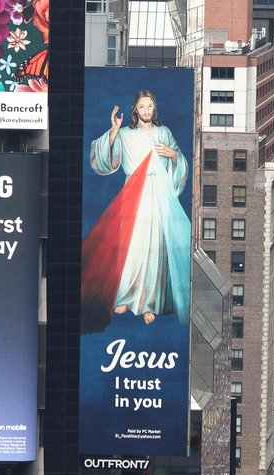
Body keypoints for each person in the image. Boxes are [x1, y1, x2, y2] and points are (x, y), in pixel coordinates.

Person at [81, 90, 191, 330]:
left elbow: (180, 162)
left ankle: (150, 302)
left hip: (159, 196)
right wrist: (113, 130)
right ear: (135, 111)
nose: (147, 111)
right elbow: (104, 159)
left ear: (155, 109)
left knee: (155, 249)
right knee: (131, 247)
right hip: (133, 195)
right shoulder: (125, 134)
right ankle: (126, 297)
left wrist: (173, 155)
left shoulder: (164, 133)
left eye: (150, 106)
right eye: (142, 107)